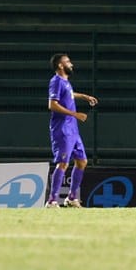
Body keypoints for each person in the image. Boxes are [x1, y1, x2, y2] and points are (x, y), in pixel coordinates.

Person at [45, 53, 98, 208]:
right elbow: (52, 105)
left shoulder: (65, 82)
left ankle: (72, 198)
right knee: (63, 163)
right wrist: (75, 114)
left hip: (72, 129)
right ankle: (52, 201)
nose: (71, 64)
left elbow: (68, 95)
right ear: (60, 66)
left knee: (82, 161)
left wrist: (84, 96)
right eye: (68, 62)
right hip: (62, 129)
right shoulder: (56, 81)